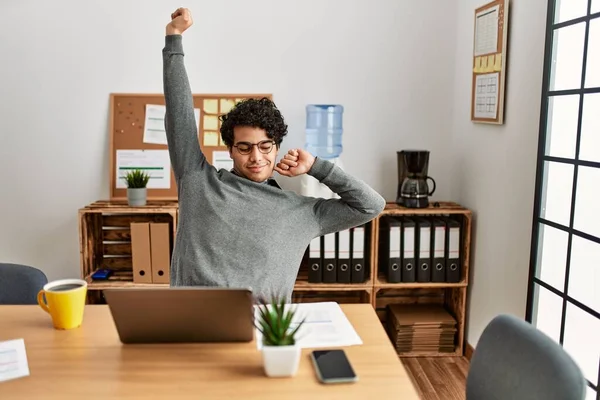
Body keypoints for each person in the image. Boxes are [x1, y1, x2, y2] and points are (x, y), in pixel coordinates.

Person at [163, 8, 385, 302]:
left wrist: (317, 167)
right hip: (192, 322)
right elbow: (179, 113)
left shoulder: (304, 212)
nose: (256, 157)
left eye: (265, 146)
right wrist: (173, 38)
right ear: (230, 149)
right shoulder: (198, 181)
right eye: (244, 147)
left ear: (277, 147)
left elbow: (371, 206)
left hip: (263, 330)